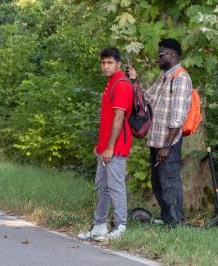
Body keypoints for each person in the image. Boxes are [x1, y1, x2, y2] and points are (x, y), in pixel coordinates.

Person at [127, 38, 192, 227]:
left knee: (170, 183)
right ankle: (167, 219)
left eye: (161, 55)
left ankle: (176, 224)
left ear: (172, 55)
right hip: (156, 142)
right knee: (158, 183)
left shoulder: (181, 78)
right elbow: (147, 98)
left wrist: (166, 146)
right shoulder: (164, 77)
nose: (158, 58)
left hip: (167, 144)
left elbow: (178, 117)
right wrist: (135, 81)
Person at [77, 48, 134, 241]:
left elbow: (119, 118)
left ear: (118, 64)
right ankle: (99, 226)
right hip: (106, 146)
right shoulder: (111, 83)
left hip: (117, 146)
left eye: (109, 62)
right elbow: (108, 118)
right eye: (103, 62)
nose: (105, 66)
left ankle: (120, 226)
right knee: (101, 186)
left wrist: (110, 147)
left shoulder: (122, 84)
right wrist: (100, 145)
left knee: (116, 186)